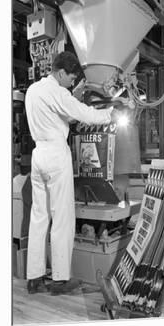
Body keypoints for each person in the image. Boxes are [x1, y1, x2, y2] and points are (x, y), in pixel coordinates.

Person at [24, 52, 113, 295]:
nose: (72, 82)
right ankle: (61, 280)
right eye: (71, 78)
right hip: (55, 155)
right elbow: (84, 114)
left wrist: (72, 97)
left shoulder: (34, 90)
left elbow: (61, 112)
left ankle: (34, 278)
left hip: (38, 155)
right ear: (61, 72)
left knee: (39, 217)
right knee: (62, 217)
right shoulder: (58, 92)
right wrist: (111, 112)